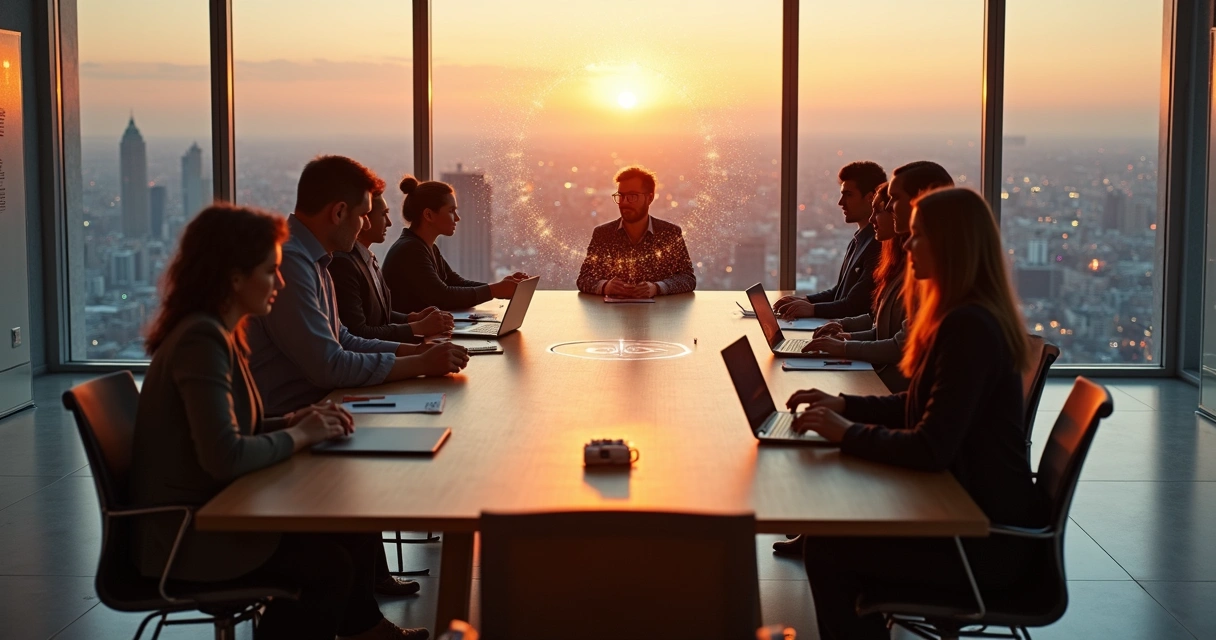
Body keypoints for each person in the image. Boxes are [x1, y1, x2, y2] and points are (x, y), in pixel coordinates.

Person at [130, 204, 430, 640]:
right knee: (328, 567)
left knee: (346, 521)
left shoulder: (215, 332)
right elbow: (225, 455)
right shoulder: (202, 341)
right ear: (235, 278)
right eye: (271, 271)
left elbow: (230, 431)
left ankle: (368, 631)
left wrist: (292, 420)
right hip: (189, 537)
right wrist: (298, 433)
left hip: (213, 509)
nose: (281, 282)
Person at [785, 188, 1041, 640]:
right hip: (977, 519)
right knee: (834, 534)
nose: (905, 245)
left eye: (918, 236)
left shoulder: (967, 326)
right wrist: (843, 405)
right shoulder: (965, 315)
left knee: (828, 548)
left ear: (949, 246)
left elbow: (930, 447)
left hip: (981, 545)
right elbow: (918, 406)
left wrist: (844, 432)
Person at [247, 156, 470, 419]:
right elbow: (330, 365)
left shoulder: (316, 259)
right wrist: (418, 363)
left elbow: (344, 340)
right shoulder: (291, 264)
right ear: (339, 212)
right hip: (295, 419)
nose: (366, 224)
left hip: (325, 408)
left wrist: (417, 351)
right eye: (364, 215)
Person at [803, 183, 910, 393]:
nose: (872, 219)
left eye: (882, 210)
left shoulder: (915, 275)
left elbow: (898, 343)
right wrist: (844, 331)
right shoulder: (884, 258)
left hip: (890, 386)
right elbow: (881, 323)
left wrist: (844, 344)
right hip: (887, 384)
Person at [382, 175, 528, 313]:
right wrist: (495, 290)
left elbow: (455, 283)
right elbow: (442, 297)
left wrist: (498, 287)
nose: (457, 218)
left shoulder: (425, 247)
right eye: (451, 211)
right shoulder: (411, 250)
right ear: (429, 215)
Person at [329, 188, 456, 342]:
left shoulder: (367, 259)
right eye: (383, 214)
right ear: (363, 218)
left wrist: (411, 318)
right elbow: (358, 332)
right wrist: (417, 327)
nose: (389, 222)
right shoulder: (344, 264)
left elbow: (379, 315)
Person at [774, 161, 886, 320]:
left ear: (870, 198)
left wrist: (812, 309)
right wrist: (805, 301)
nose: (841, 203)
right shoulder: (859, 240)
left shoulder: (877, 245)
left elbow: (855, 305)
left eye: (849, 195)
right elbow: (840, 292)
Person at [575, 165, 696, 298]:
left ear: (650, 198)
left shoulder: (670, 233)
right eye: (621, 195)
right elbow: (584, 279)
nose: (624, 202)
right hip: (611, 316)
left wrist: (656, 288)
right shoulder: (603, 234)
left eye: (632, 196)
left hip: (659, 316)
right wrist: (606, 286)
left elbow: (688, 278)